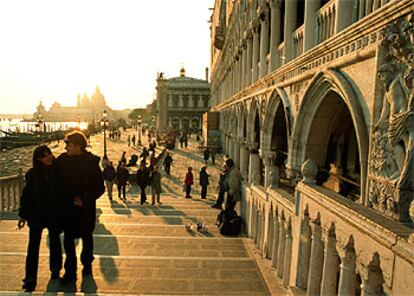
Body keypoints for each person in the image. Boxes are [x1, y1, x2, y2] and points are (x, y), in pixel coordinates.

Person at [56, 131, 104, 283]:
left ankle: (87, 264)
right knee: (68, 240)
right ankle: (70, 271)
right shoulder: (62, 161)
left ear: (78, 146)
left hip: (85, 209)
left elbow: (99, 187)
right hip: (67, 208)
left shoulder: (91, 163)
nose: (66, 148)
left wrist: (84, 199)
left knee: (86, 238)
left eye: (69, 145)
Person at [18, 145, 62, 292]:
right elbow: (27, 195)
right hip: (36, 214)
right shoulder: (32, 174)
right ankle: (30, 278)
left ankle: (55, 270)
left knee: (55, 242)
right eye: (44, 155)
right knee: (33, 247)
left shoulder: (59, 171)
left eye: (49, 153)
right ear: (38, 159)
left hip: (53, 213)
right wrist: (23, 215)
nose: (48, 157)